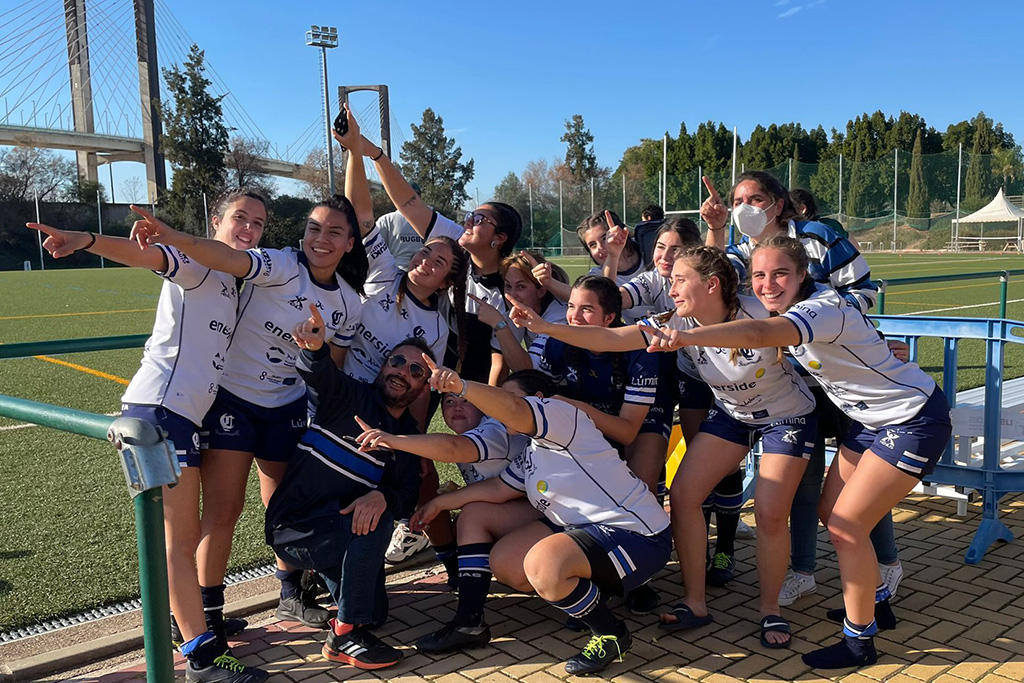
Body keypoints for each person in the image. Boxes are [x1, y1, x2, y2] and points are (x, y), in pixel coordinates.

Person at [646, 234, 952, 669]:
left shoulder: (817, 309)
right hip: (868, 421)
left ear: (803, 274)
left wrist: (686, 335)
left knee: (847, 526)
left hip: (912, 419)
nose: (768, 285)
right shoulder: (789, 308)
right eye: (759, 275)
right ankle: (877, 602)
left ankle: (858, 642)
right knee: (832, 513)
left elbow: (757, 332)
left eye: (780, 274)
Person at [510, 246, 818, 649]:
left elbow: (829, 330)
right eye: (669, 281)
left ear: (711, 285)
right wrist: (546, 328)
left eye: (678, 280)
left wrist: (883, 345)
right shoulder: (673, 320)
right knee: (684, 495)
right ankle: (696, 602)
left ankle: (769, 609)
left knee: (769, 512)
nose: (670, 289)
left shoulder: (758, 312)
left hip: (786, 417)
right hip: (733, 415)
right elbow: (612, 337)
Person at [28, 190, 271, 683]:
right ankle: (201, 657)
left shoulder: (230, 277)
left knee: (184, 535)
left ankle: (196, 627)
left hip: (182, 416)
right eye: (239, 219)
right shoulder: (198, 264)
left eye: (259, 224)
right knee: (177, 541)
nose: (248, 229)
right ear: (215, 221)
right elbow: (148, 254)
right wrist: (86, 239)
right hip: (157, 413)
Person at [128, 188, 367, 631]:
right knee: (224, 510)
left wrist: (313, 350)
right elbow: (225, 257)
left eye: (335, 232)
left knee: (285, 506)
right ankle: (210, 612)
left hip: (287, 406)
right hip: (232, 400)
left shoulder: (350, 303)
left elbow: (328, 372)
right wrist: (174, 237)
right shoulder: (281, 264)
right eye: (314, 228)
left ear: (350, 243)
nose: (321, 238)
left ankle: (290, 592)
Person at [701, 172, 903, 605]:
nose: (745, 207)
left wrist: (816, 322)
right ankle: (803, 569)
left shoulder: (819, 235)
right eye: (738, 200)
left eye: (755, 198)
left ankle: (887, 563)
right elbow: (712, 283)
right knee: (805, 482)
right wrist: (717, 229)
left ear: (777, 202)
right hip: (792, 384)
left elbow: (864, 289)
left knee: (860, 479)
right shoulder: (739, 250)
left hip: (840, 374)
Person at [410, 366, 672, 676]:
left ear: (538, 401)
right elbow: (498, 488)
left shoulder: (562, 415)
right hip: (585, 531)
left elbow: (496, 421)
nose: (498, 409)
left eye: (507, 399)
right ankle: (473, 621)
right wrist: (440, 502)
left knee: (543, 564)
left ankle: (610, 633)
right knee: (507, 562)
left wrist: (461, 386)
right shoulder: (532, 449)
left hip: (638, 535)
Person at [332, 115, 472, 577]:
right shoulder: (384, 272)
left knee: (422, 483)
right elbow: (361, 213)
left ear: (449, 279)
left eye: (440, 263)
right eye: (427, 252)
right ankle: (319, 578)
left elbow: (421, 391)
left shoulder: (436, 327)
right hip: (344, 402)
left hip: (391, 417)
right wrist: (355, 151)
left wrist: (413, 445)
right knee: (334, 485)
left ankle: (456, 567)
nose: (427, 262)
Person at [267, 317, 430, 670]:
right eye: (397, 362)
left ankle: (341, 596)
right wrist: (314, 348)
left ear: (424, 387)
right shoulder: (349, 396)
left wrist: (383, 496)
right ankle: (343, 634)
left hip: (337, 532)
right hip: (296, 528)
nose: (403, 371)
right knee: (376, 523)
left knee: (375, 614)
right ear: (384, 365)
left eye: (416, 370)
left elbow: (405, 493)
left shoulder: (407, 439)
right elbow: (319, 372)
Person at [605, 215, 750, 584]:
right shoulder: (655, 282)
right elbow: (608, 302)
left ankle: (725, 549)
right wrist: (613, 255)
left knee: (725, 465)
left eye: (675, 250)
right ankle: (695, 548)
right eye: (659, 247)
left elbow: (715, 264)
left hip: (732, 378)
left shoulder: (711, 287)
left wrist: (716, 230)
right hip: (689, 373)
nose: (665, 256)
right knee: (697, 457)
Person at [357, 133, 522, 386]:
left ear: (499, 238)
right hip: (431, 365)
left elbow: (503, 361)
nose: (468, 222)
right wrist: (375, 155)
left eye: (479, 220)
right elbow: (409, 204)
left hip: (478, 379)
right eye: (471, 215)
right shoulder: (455, 244)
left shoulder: (510, 286)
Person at [475, 250, 569, 373]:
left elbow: (528, 372)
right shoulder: (517, 314)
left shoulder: (559, 315)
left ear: (541, 291)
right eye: (508, 286)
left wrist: (499, 325)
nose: (512, 294)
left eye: (521, 286)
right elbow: (499, 364)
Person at [576, 211, 649, 323]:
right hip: (640, 335)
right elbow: (606, 300)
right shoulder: (596, 277)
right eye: (592, 245)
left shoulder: (651, 253)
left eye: (605, 238)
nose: (600, 248)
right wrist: (612, 256)